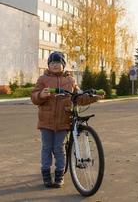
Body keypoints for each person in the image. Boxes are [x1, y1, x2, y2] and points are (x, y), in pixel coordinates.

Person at [31, 51, 102, 188]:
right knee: (46, 148)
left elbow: (78, 97)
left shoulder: (70, 80)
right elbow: (34, 97)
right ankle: (46, 173)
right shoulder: (43, 79)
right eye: (52, 63)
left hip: (64, 120)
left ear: (63, 65)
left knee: (59, 148)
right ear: (48, 65)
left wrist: (92, 97)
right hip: (46, 121)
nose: (55, 65)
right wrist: (41, 94)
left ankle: (59, 174)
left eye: (58, 63)